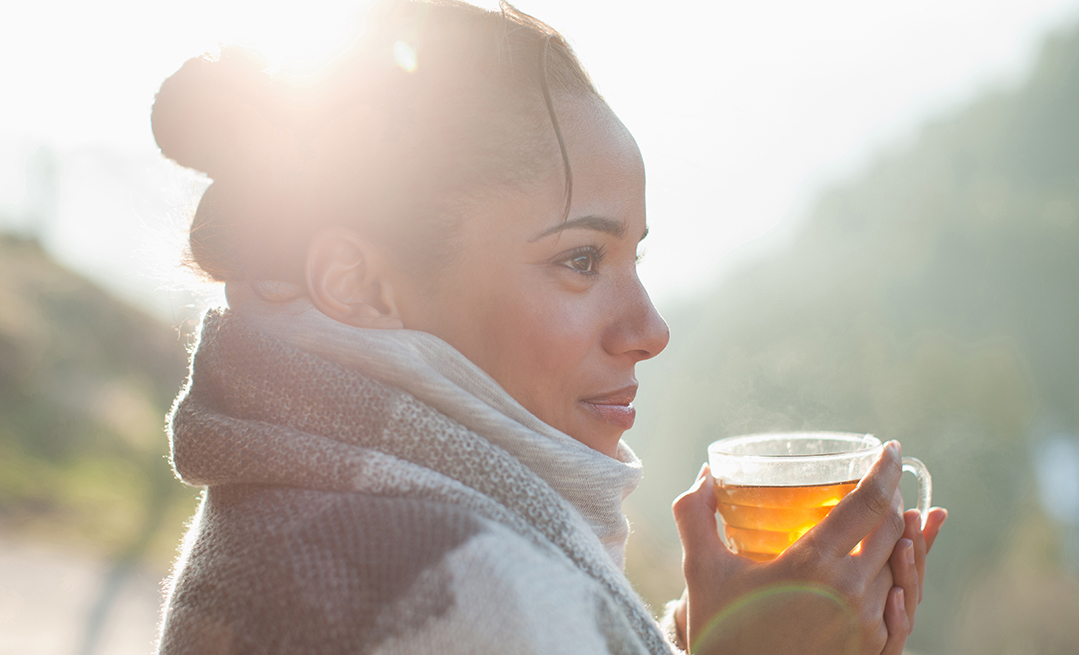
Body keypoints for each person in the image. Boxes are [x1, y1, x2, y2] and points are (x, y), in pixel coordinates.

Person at [151, 1, 948, 653]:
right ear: (358, 284)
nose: (650, 328)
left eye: (633, 257)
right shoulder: (469, 589)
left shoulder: (299, 509)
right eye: (579, 260)